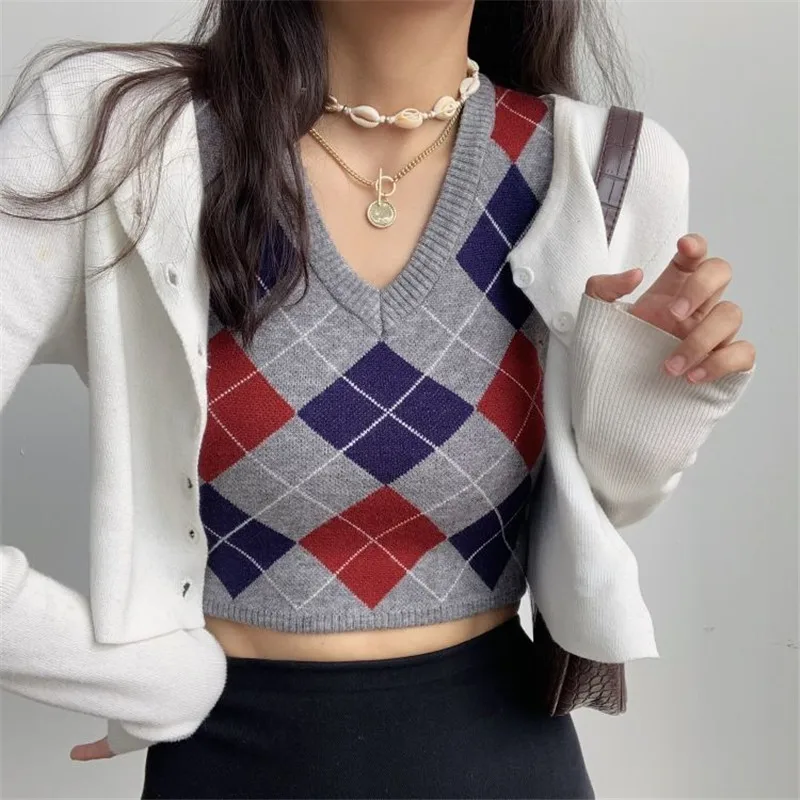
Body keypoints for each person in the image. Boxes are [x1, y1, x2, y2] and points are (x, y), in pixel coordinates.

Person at [0, 1, 757, 798]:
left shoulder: (609, 169)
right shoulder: (117, 136)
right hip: (234, 762)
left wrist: (648, 406)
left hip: (502, 756)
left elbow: (600, 508)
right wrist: (140, 675)